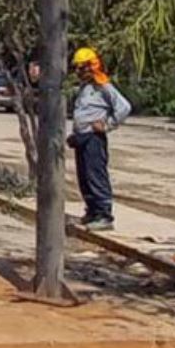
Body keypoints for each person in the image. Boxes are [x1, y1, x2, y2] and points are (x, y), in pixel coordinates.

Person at [69, 46, 131, 229]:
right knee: (84, 177)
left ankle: (104, 215)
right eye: (77, 68)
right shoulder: (85, 88)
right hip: (83, 137)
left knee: (96, 176)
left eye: (82, 68)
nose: (79, 72)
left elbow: (124, 107)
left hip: (94, 139)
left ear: (91, 67)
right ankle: (92, 211)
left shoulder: (104, 87)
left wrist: (108, 124)